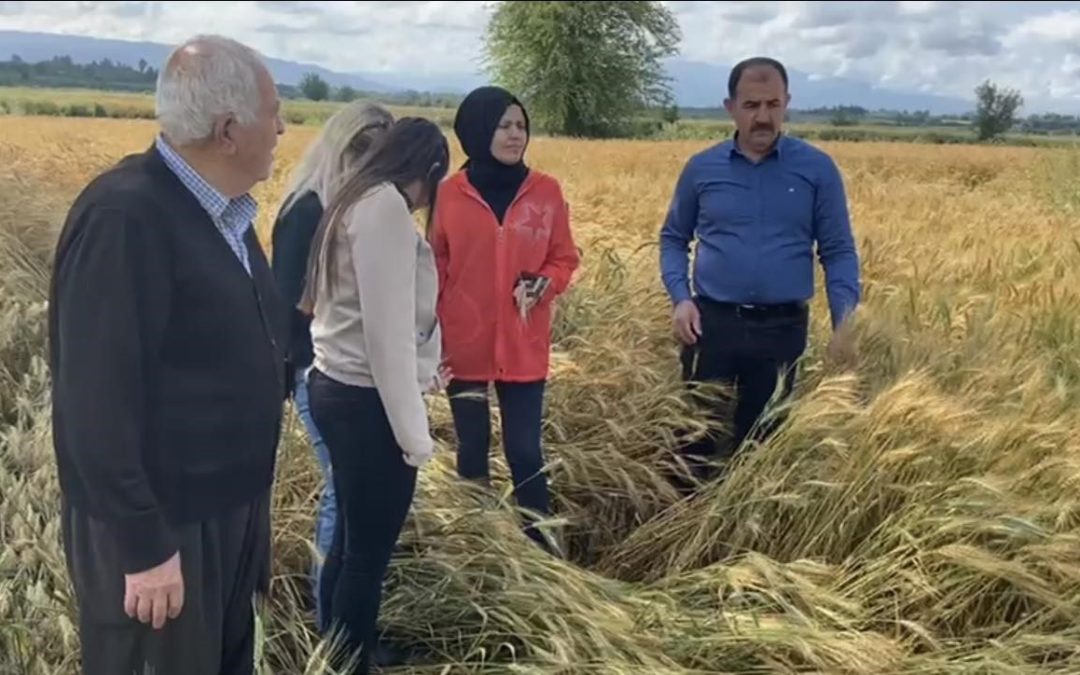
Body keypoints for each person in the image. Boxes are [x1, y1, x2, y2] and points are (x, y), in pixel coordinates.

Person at [47, 34, 288, 675]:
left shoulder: (224, 214)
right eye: (275, 111)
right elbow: (93, 401)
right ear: (229, 129)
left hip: (227, 513)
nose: (284, 126)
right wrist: (143, 545)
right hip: (166, 528)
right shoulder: (125, 216)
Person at [298, 117, 450, 674]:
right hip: (367, 400)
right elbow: (386, 337)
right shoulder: (384, 207)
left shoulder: (351, 196)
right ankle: (354, 661)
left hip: (337, 387)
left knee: (352, 540)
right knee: (368, 552)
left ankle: (342, 650)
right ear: (430, 170)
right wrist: (416, 437)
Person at [659, 56, 861, 474]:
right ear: (730, 107)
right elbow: (674, 239)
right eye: (752, 106)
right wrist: (680, 299)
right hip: (711, 326)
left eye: (773, 104)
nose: (764, 117)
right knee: (693, 448)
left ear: (787, 102)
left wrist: (846, 321)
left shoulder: (817, 169)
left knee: (762, 455)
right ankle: (685, 533)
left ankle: (743, 534)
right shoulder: (702, 169)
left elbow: (838, 250)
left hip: (781, 332)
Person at [431, 86, 580, 550]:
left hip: (523, 342)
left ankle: (539, 552)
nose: (516, 135)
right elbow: (434, 266)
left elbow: (565, 257)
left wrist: (544, 283)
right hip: (465, 342)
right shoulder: (448, 194)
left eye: (521, 125)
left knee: (524, 451)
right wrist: (430, 336)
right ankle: (477, 548)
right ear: (477, 130)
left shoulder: (546, 192)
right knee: (472, 450)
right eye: (504, 125)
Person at [271, 100, 393, 633]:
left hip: (347, 374)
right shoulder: (308, 209)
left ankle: (347, 626)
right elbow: (288, 304)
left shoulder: (347, 208)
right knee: (344, 498)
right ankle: (333, 633)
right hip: (315, 374)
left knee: (353, 498)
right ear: (348, 155)